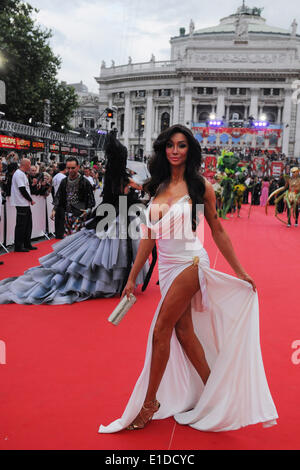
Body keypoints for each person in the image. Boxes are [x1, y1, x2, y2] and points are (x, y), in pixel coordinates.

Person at [99, 124, 277, 433]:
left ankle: (149, 403)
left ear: (189, 150)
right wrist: (132, 277)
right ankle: (214, 391)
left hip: (192, 261)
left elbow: (218, 230)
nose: (175, 150)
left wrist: (240, 270)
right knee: (184, 333)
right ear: (163, 150)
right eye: (170, 145)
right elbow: (147, 238)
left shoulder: (200, 187)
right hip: (167, 268)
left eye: (181, 145)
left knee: (160, 331)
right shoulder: (155, 187)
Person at [0, 132, 149, 304]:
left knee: (101, 253)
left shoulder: (111, 176)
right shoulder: (122, 178)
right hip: (111, 218)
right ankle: (107, 282)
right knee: (110, 254)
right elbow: (131, 193)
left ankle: (108, 282)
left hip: (106, 216)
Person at [50, 157, 95, 236]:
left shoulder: (85, 182)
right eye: (68, 168)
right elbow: (59, 196)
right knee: (67, 239)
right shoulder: (64, 181)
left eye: (73, 168)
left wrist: (87, 210)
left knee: (77, 241)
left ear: (78, 167)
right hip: (67, 215)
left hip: (79, 216)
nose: (70, 170)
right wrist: (54, 209)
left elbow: (91, 200)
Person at [10, 158, 37, 252]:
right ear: (24, 165)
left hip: (25, 203)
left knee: (28, 224)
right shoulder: (18, 174)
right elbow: (22, 189)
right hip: (21, 203)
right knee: (21, 225)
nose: (30, 167)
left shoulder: (22, 174)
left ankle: (27, 243)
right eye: (29, 165)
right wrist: (31, 200)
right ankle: (18, 246)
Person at [51, 163, 67, 239]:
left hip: (56, 198)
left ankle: (58, 234)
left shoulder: (55, 177)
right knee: (62, 217)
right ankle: (61, 234)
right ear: (65, 169)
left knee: (57, 217)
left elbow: (52, 189)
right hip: (62, 199)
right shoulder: (64, 177)